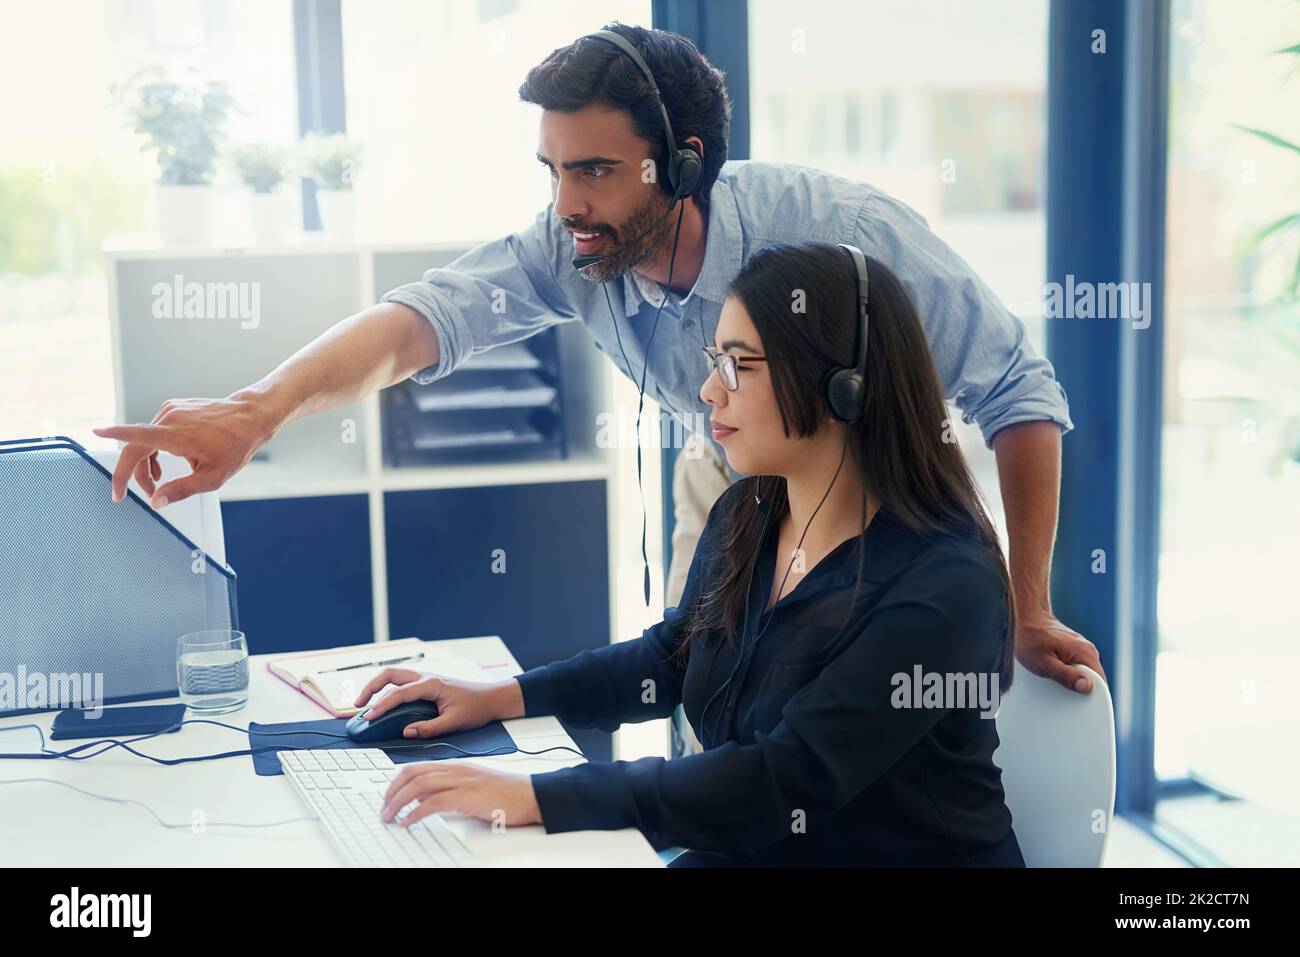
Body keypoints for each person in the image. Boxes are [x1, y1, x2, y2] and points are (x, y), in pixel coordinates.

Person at [93, 22, 1103, 695]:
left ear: (688, 162)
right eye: (552, 169)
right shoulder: (569, 247)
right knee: (712, 700)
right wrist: (259, 410)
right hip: (734, 474)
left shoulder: (834, 230)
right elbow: (417, 324)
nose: (566, 201)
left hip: (877, 491)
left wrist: (1027, 604)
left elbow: (1019, 389)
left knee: (824, 762)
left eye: (594, 171)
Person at [349, 242, 1026, 867]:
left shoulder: (945, 583)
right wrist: (496, 697)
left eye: (739, 365)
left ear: (839, 387)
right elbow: (671, 656)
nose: (710, 390)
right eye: (713, 361)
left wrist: (538, 797)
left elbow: (782, 778)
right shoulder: (753, 511)